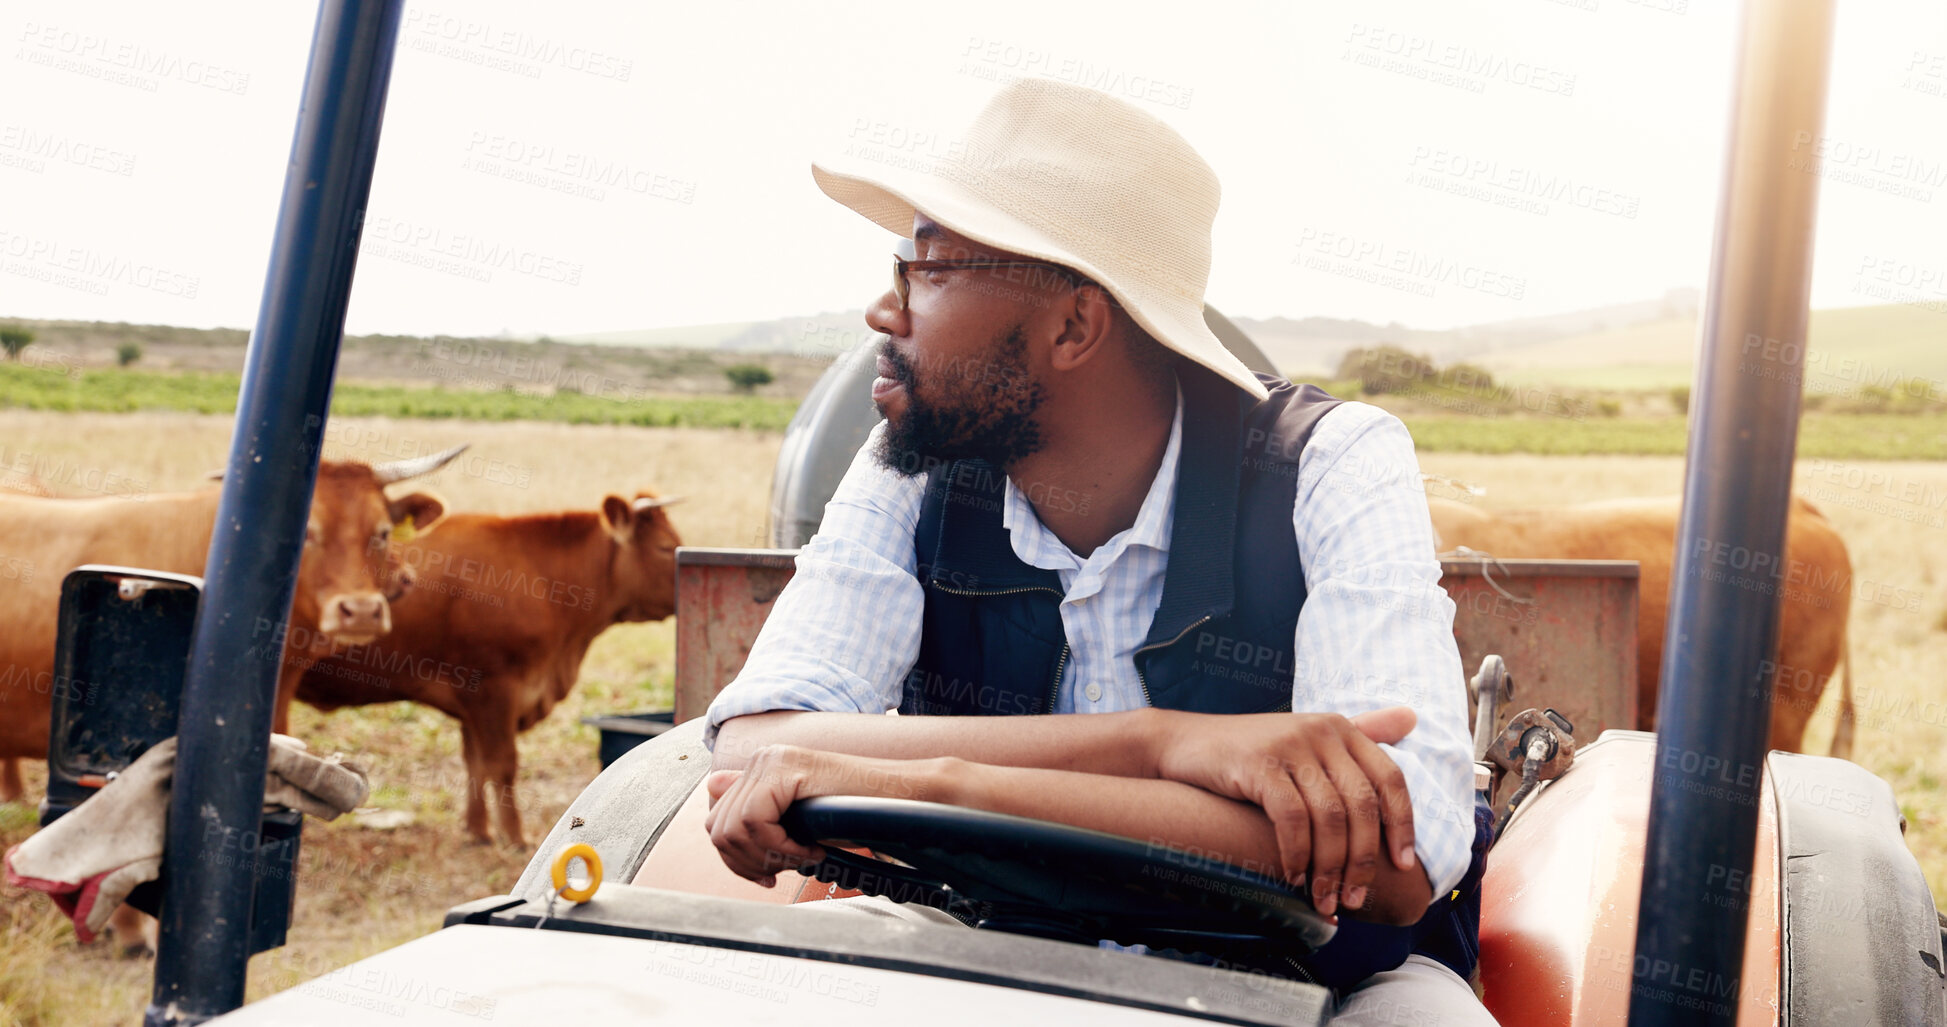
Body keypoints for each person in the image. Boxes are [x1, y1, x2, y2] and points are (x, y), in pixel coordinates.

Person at [702, 77, 1493, 1025]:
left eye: (929, 267)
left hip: (1308, 987)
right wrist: (1159, 744)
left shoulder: (1330, 461)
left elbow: (1400, 861)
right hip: (978, 951)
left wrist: (918, 778)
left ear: (1072, 325)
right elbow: (755, 739)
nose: (884, 308)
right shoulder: (910, 461)